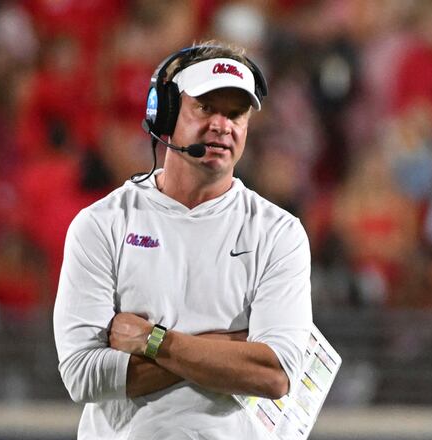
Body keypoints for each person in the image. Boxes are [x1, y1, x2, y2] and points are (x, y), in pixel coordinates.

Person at [54, 42, 313, 439]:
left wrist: (154, 341)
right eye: (206, 108)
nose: (222, 125)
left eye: (235, 114)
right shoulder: (102, 224)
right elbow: (83, 375)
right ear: (166, 113)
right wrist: (229, 349)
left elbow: (275, 375)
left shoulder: (280, 233)